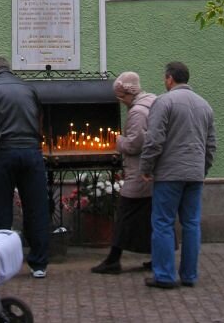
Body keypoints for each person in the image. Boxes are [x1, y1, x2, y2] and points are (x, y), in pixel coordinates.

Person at [140, 60, 216, 290]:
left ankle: (164, 275)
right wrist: (202, 169)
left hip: (169, 174)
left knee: (163, 223)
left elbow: (154, 139)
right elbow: (211, 145)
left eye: (165, 78)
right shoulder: (205, 105)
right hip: (194, 173)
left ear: (170, 78)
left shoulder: (164, 102)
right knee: (191, 224)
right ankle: (189, 275)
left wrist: (146, 167)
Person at [0, 56, 49, 278]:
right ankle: (39, 264)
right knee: (36, 207)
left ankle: (1, 262)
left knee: (1, 208)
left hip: (3, 152)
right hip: (32, 152)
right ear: (9, 70)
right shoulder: (28, 87)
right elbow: (40, 117)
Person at [91, 71, 157, 275]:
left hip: (139, 173)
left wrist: (119, 141)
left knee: (125, 214)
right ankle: (158, 256)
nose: (120, 101)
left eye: (121, 96)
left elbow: (136, 143)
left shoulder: (137, 112)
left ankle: (113, 260)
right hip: (149, 173)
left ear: (129, 92)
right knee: (151, 216)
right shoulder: (152, 103)